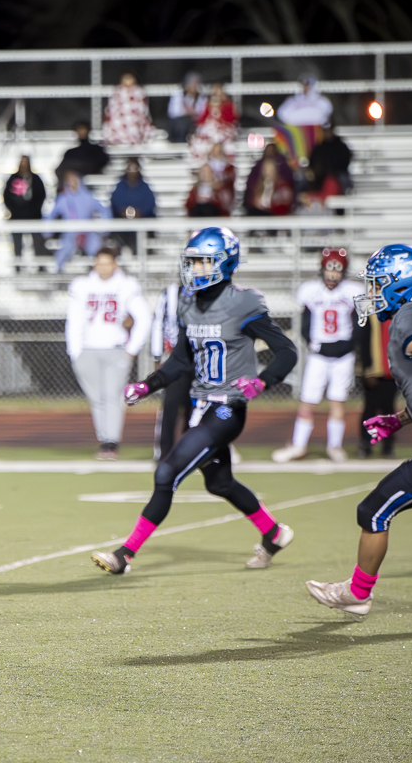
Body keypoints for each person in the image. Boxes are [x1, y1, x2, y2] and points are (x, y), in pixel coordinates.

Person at [95, 227, 298, 575]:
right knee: (220, 483)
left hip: (228, 408)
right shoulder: (189, 302)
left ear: (224, 262)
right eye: (192, 261)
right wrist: (147, 385)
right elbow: (181, 360)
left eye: (203, 261)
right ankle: (274, 533)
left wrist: (263, 381)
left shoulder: (243, 303)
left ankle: (125, 554)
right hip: (201, 406)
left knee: (167, 472)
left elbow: (287, 351)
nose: (195, 269)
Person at [306, 244, 412, 617]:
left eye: (378, 284)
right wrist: (400, 419)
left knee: (374, 511)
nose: (371, 292)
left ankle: (358, 593)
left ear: (402, 285)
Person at [272, 249, 365, 464]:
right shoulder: (310, 290)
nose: (332, 277)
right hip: (319, 354)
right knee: (308, 401)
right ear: (322, 270)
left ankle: (334, 447)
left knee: (337, 400)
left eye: (336, 273)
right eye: (328, 272)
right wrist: (313, 343)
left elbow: (359, 323)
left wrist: (349, 345)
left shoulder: (353, 291)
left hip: (343, 354)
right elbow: (305, 322)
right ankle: (299, 446)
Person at [66, 247, 152, 460]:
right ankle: (104, 438)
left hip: (115, 349)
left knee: (112, 396)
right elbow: (74, 319)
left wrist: (132, 349)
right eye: (100, 263)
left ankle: (111, 442)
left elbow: (144, 317)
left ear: (115, 264)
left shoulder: (126, 285)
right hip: (87, 348)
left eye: (107, 263)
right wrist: (74, 351)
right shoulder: (82, 286)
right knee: (96, 398)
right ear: (94, 264)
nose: (103, 267)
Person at [150, 280, 189, 460]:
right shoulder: (170, 294)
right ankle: (164, 453)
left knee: (202, 406)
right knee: (170, 406)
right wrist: (157, 356)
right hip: (176, 359)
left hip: (203, 359)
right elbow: (158, 324)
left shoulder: (213, 293)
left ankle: (203, 451)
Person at [42, 169, 110, 271]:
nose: (72, 182)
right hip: (70, 233)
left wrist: (105, 231)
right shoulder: (63, 198)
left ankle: (98, 273)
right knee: (61, 256)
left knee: (96, 251)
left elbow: (105, 210)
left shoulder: (88, 196)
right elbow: (50, 215)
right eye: (69, 179)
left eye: (74, 179)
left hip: (88, 232)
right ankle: (58, 274)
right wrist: (47, 233)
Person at [355, 314, 398, 459]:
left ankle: (388, 446)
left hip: (391, 371)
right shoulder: (370, 316)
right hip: (373, 370)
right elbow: (363, 342)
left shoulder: (396, 315)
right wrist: (367, 369)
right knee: (370, 408)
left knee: (389, 409)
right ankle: (366, 444)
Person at [2, 155, 49, 270]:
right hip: (17, 217)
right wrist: (15, 210)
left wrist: (33, 211)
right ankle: (17, 267)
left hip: (34, 217)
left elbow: (41, 196)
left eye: (25, 162)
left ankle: (41, 267)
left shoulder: (35, 179)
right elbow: (7, 197)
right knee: (17, 244)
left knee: (38, 243)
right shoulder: (13, 179)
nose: (23, 165)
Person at [188, 83, 239, 162]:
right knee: (198, 143)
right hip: (209, 132)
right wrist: (210, 108)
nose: (217, 97)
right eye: (215, 94)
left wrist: (220, 109)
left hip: (224, 130)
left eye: (219, 94)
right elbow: (200, 121)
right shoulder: (207, 105)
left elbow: (231, 120)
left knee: (228, 145)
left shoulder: (229, 105)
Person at [103, 72, 154, 146]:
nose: (128, 81)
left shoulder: (138, 91)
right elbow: (113, 106)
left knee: (134, 133)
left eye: (130, 79)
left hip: (134, 119)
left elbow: (142, 107)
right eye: (126, 79)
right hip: (120, 119)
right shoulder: (117, 91)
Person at [167, 72, 206, 143]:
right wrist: (187, 111)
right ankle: (180, 142)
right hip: (179, 121)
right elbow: (173, 112)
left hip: (194, 121)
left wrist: (193, 112)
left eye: (196, 85)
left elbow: (202, 111)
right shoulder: (178, 93)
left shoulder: (201, 95)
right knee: (182, 123)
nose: (194, 87)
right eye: (193, 84)